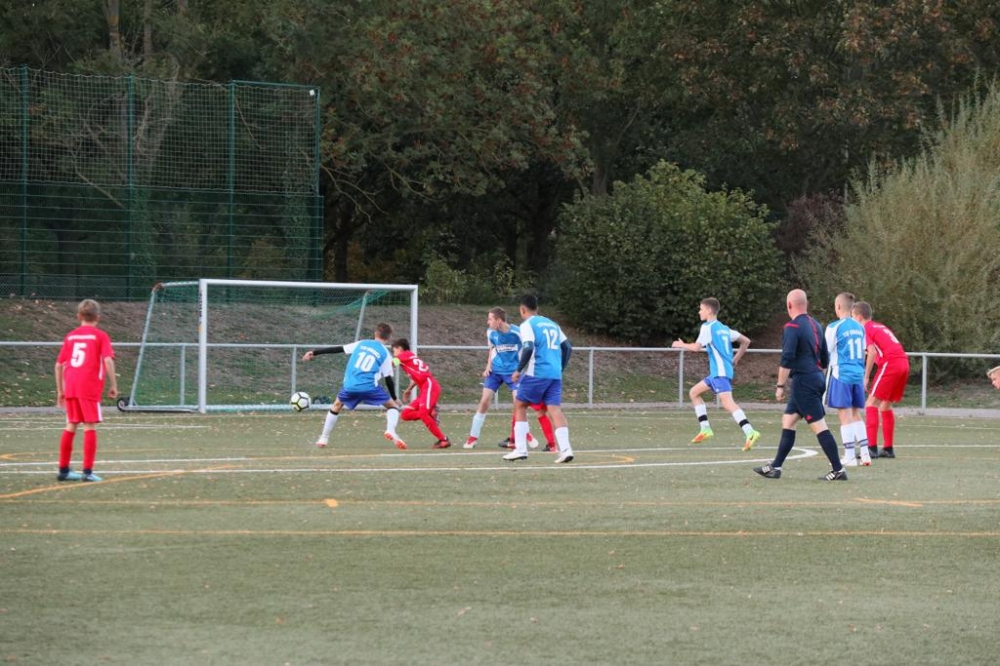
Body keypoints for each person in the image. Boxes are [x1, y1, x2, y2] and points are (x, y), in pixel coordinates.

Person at [753, 289, 847, 481]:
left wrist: (780, 386)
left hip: (805, 382)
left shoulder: (792, 327)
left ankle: (838, 470)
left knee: (819, 425)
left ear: (789, 305)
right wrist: (816, 376)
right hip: (814, 378)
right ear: (806, 304)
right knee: (788, 420)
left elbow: (787, 358)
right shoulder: (816, 325)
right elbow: (825, 357)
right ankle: (775, 467)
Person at [671, 297, 761, 451]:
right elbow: (746, 341)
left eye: (701, 309)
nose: (699, 312)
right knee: (694, 392)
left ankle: (750, 431)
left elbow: (696, 347)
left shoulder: (708, 327)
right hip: (717, 373)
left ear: (709, 311)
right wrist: (736, 359)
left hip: (720, 372)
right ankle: (705, 429)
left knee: (727, 403)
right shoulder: (724, 329)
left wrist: (680, 344)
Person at [301, 322, 405, 449]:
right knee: (392, 406)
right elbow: (388, 379)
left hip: (350, 385)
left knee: (336, 406)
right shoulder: (385, 354)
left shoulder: (362, 343)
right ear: (388, 337)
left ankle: (324, 438)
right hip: (369, 387)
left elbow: (339, 349)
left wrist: (314, 352)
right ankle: (390, 430)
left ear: (375, 333)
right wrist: (394, 398)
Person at [463, 307, 553, 452]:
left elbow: (529, 349)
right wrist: (488, 366)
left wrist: (527, 368)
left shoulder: (517, 332)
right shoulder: (490, 332)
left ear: (499, 320)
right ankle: (473, 437)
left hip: (513, 373)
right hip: (495, 372)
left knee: (518, 404)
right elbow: (492, 349)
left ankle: (525, 434)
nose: (488, 322)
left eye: (490, 319)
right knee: (484, 402)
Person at [503, 295, 575, 463]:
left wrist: (518, 370)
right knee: (554, 409)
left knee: (520, 405)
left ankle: (520, 449)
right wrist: (560, 368)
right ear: (537, 308)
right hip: (555, 374)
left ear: (523, 309)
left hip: (538, 372)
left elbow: (528, 347)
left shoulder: (527, 324)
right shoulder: (552, 324)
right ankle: (566, 450)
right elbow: (567, 347)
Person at [54, 299, 118, 482]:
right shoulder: (100, 336)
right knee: (89, 426)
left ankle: (64, 470)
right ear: (98, 317)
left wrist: (60, 390)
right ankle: (87, 472)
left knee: (71, 424)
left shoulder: (71, 336)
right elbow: (107, 360)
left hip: (71, 385)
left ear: (78, 316)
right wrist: (113, 384)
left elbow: (59, 365)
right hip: (88, 387)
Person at [851, 301, 910, 459]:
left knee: (871, 404)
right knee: (885, 406)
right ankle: (888, 449)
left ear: (859, 317)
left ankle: (871, 449)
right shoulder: (880, 326)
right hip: (903, 363)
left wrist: (866, 377)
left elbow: (872, 352)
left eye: (853, 317)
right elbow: (878, 351)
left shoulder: (865, 328)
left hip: (891, 364)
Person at [824, 292, 871, 467]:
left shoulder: (834, 327)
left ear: (838, 306)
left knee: (844, 415)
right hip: (857, 374)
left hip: (841, 374)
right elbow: (864, 351)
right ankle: (865, 454)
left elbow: (826, 351)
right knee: (855, 413)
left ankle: (850, 456)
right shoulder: (860, 328)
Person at [391, 338, 451, 449]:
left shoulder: (404, 355)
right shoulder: (409, 358)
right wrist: (409, 389)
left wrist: (378, 367)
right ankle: (430, 413)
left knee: (423, 414)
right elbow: (419, 376)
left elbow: (393, 363)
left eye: (394, 351)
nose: (394, 354)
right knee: (405, 415)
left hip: (430, 387)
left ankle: (443, 440)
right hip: (425, 389)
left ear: (399, 348)